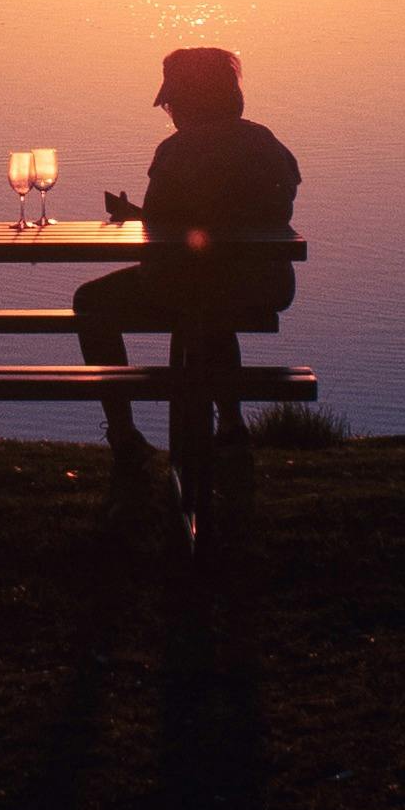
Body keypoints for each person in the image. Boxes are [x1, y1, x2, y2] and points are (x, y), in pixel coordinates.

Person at [77, 44, 301, 509]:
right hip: (264, 284)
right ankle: (232, 425)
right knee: (213, 301)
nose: (170, 112)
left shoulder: (177, 152)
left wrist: (137, 217)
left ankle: (123, 435)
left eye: (173, 102)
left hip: (188, 283)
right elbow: (230, 222)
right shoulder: (268, 143)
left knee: (92, 302)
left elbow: (164, 232)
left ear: (191, 100)